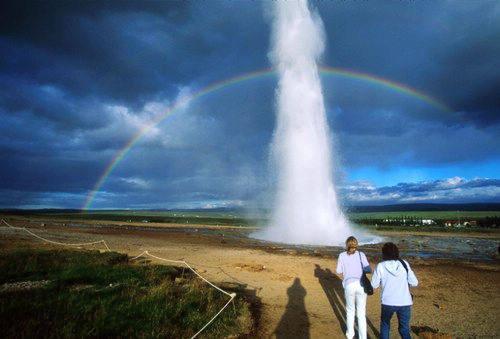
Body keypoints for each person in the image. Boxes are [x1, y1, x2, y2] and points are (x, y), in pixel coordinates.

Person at [371, 242, 418, 339]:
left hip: (388, 302)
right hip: (404, 302)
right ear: (396, 252)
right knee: (404, 329)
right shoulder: (404, 264)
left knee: (385, 325)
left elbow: (374, 285)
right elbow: (414, 282)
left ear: (383, 253)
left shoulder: (380, 266)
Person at [336, 236, 372, 339]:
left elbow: (338, 271)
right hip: (361, 285)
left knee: (350, 311)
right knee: (361, 313)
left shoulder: (342, 255)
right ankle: (363, 337)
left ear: (346, 244)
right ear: (356, 244)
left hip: (349, 285)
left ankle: (350, 335)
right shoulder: (361, 254)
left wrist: (347, 269)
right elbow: (368, 268)